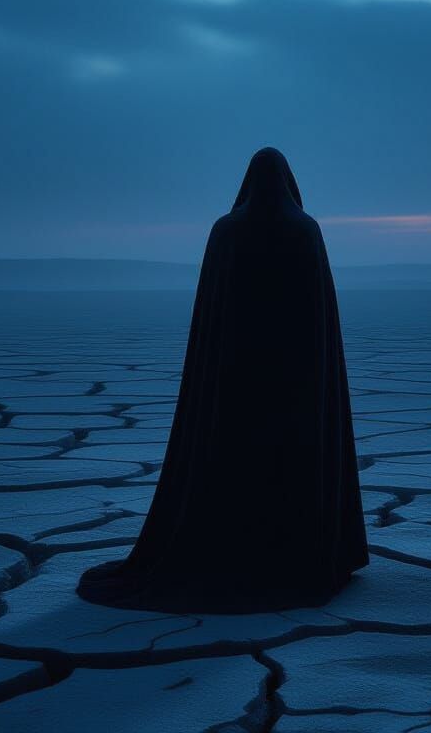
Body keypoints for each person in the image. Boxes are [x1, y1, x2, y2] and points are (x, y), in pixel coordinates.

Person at [76, 147, 369, 614]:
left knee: (230, 463)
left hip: (233, 384)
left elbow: (212, 317)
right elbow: (317, 320)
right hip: (296, 385)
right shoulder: (306, 229)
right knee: (291, 463)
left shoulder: (226, 231)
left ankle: (222, 549)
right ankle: (296, 555)